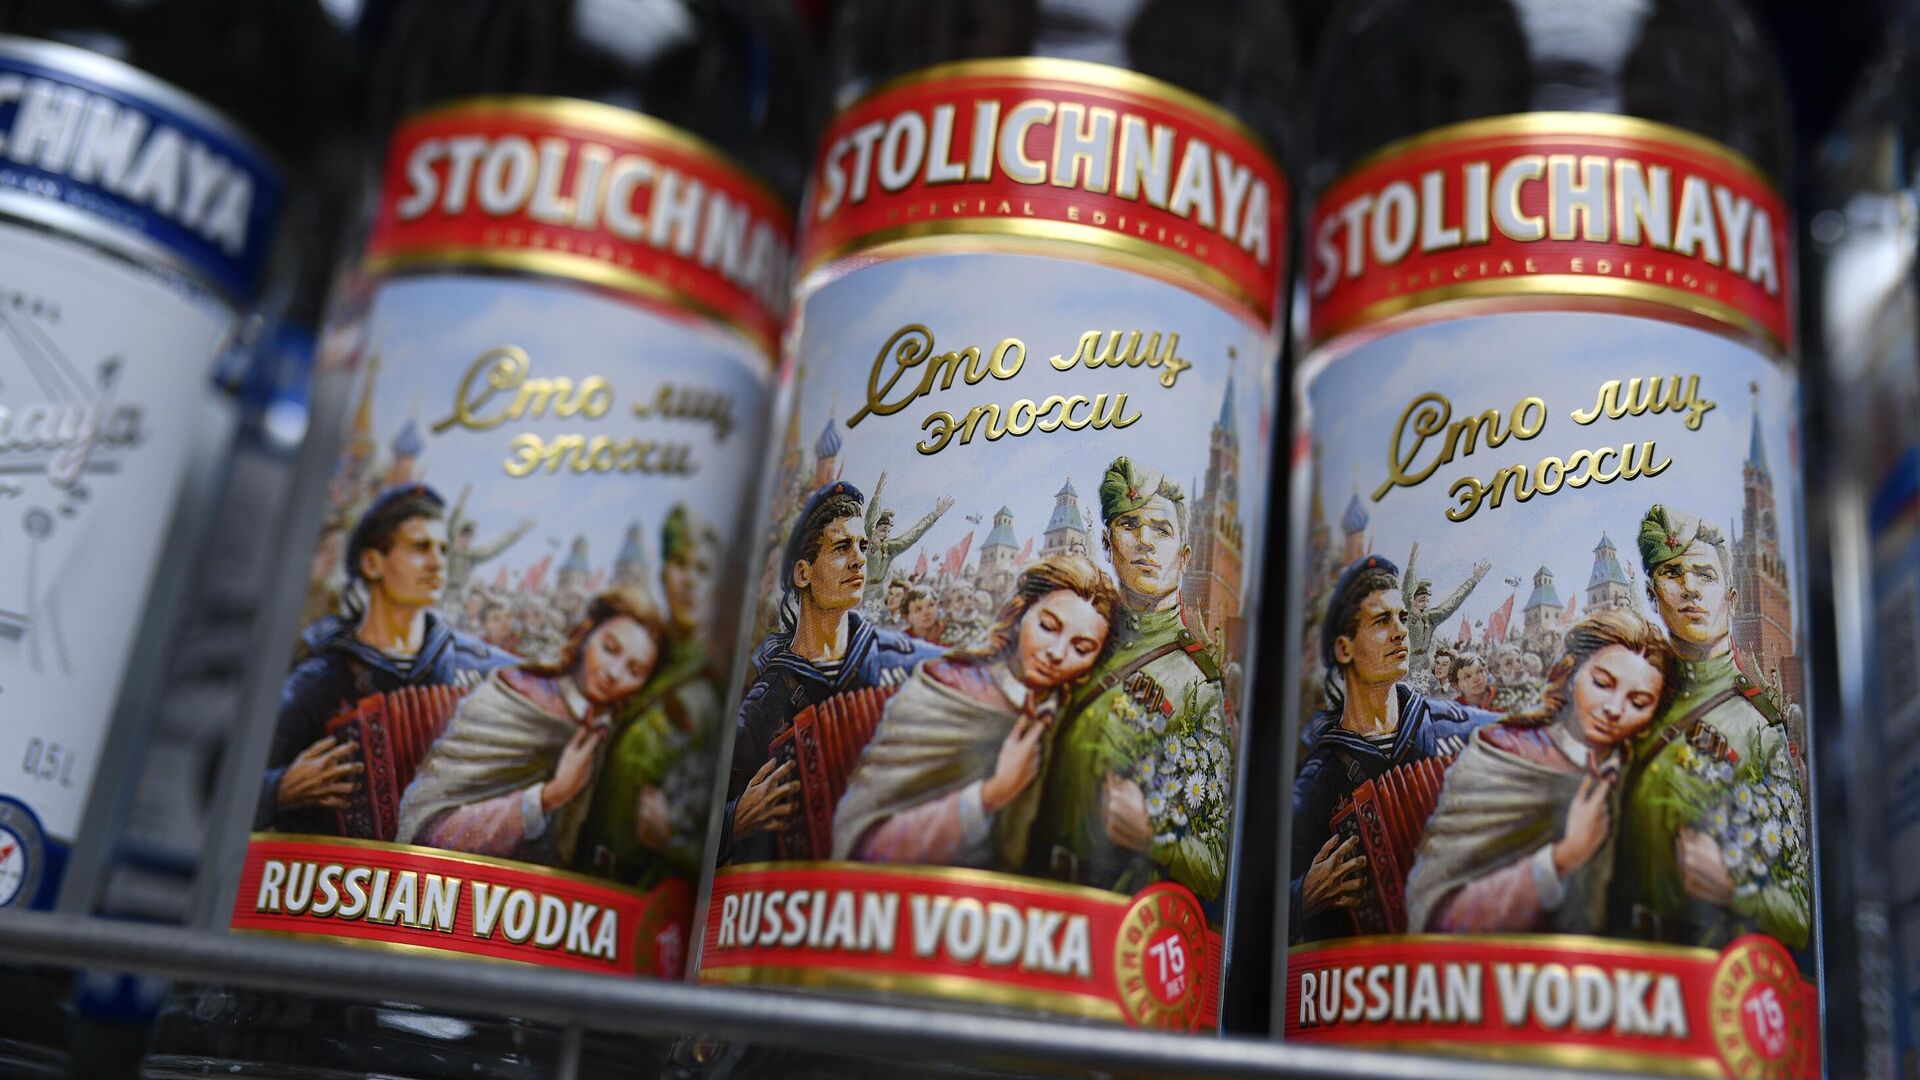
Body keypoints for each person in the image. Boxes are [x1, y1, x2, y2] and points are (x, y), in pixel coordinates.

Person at [1027, 457, 1230, 902]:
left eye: (1161, 530)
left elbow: (1214, 868)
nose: (1145, 542)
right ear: (1106, 542)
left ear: (1184, 555)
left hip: (1114, 912)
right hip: (1029, 892)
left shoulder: (1196, 681)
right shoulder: (1076, 638)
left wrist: (1152, 833)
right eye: (1129, 525)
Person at [833, 554, 1120, 868]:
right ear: (1020, 614)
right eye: (1048, 627)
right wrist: (990, 795)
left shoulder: (1069, 716)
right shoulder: (948, 690)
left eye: (1081, 648)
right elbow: (866, 846)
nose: (1057, 653)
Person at [1611, 505, 1811, 950]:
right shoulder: (1630, 702)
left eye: (1705, 575)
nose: (1689, 589)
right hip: (1617, 966)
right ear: (1652, 595)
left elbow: (1800, 917)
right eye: (1672, 573)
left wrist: (1731, 886)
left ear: (1732, 599)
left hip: (1706, 966)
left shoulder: (1759, 727)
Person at [260, 485, 513, 834]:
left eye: (443, 549)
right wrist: (279, 790)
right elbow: (235, 779)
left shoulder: (483, 669)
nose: (438, 562)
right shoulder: (318, 681)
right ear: (372, 564)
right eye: (420, 547)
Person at [1405, 610, 1677, 933]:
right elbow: (1440, 917)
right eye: (1602, 684)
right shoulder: (1505, 755)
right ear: (1570, 674)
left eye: (1638, 702)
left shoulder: (1646, 775)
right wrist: (1561, 859)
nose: (1614, 709)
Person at [721, 482, 940, 864]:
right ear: (803, 573)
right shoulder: (762, 705)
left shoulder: (903, 661)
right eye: (842, 548)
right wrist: (733, 821)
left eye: (863, 547)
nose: (859, 560)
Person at [1289, 555, 1497, 943]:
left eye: (1402, 618)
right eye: (1382, 621)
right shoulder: (1318, 773)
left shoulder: (1455, 729)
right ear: (1344, 649)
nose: (1401, 631)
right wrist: (1303, 897)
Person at [395, 588, 665, 869]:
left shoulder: (614, 734)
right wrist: (550, 796)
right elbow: (431, 833)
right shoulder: (514, 698)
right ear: (585, 636)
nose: (614, 673)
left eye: (634, 671)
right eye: (609, 649)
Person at [578, 506, 727, 887]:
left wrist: (672, 843)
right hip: (580, 870)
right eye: (680, 564)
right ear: (663, 574)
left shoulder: (714, 688)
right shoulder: (639, 654)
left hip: (642, 893)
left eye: (703, 570)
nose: (689, 581)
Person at [861, 470, 954, 608]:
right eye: (882, 530)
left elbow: (912, 536)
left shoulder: (889, 548)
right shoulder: (866, 542)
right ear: (874, 530)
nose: (886, 535)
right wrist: (878, 493)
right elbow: (871, 520)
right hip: (859, 590)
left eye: (888, 531)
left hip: (878, 596)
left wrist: (935, 515)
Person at [1401, 541, 1491, 680]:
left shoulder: (1430, 619)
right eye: (1421, 600)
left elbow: (1452, 603)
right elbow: (1408, 590)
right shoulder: (1406, 616)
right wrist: (1411, 565)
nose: (1425, 605)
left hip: (1423, 669)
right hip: (1404, 667)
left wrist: (1473, 581)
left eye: (1427, 601)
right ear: (1412, 601)